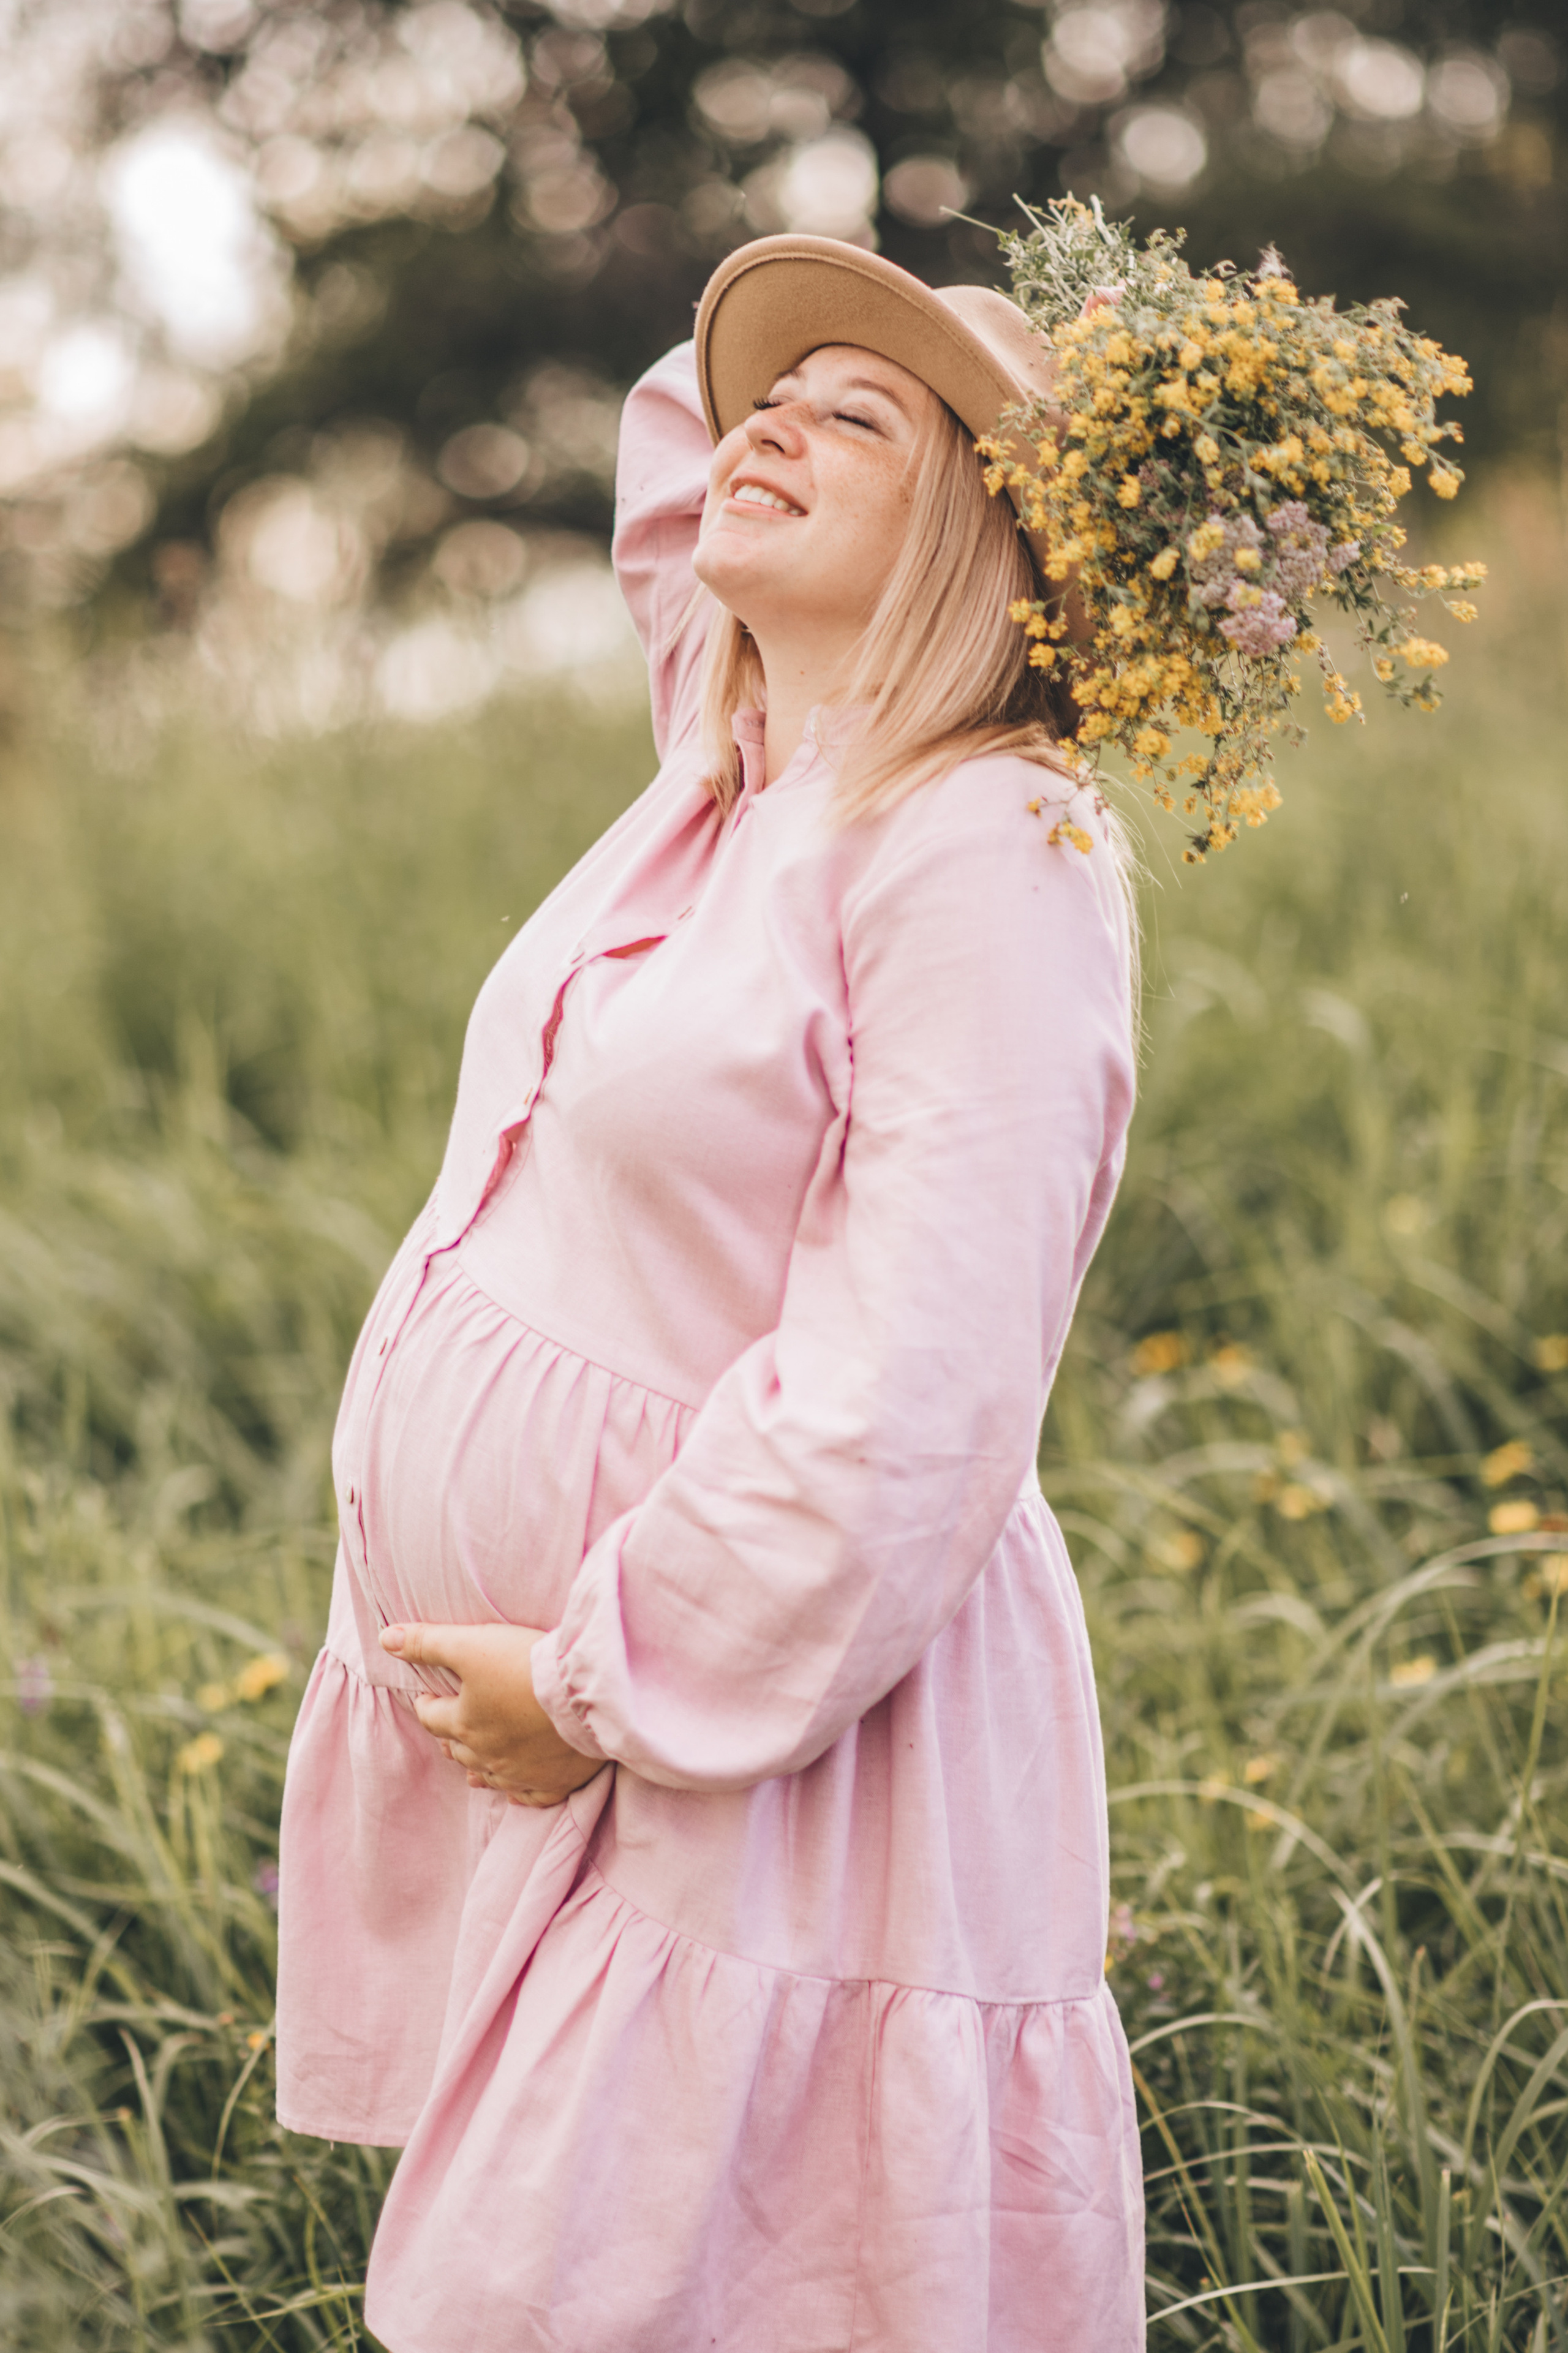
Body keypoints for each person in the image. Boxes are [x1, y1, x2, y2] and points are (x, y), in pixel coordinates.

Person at [276, 231, 1144, 2352]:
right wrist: (852, 367)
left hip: (768, 1747)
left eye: (859, 421)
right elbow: (688, 427)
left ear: (976, 536)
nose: (765, 422)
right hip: (618, 1731)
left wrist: (595, 1688)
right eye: (780, 393)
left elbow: (913, 1388)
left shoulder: (985, 847)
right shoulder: (734, 762)